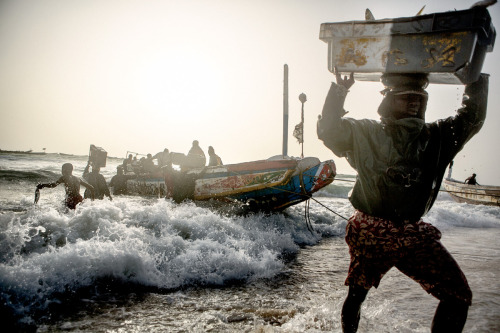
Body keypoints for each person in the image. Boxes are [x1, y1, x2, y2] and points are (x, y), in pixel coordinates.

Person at [317, 68, 488, 332]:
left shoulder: (437, 136)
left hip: (412, 232)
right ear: (387, 101)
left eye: (419, 98)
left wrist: (474, 82)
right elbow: (329, 129)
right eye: (405, 97)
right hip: (372, 230)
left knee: (458, 294)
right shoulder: (366, 132)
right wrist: (339, 91)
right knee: (356, 296)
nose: (413, 102)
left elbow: (471, 118)